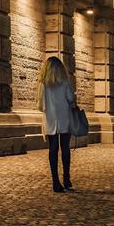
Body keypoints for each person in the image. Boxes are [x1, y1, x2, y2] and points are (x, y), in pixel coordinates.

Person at [36, 55, 76, 193]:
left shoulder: (43, 84)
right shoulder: (65, 82)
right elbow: (71, 98)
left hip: (50, 119)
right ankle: (66, 178)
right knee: (65, 148)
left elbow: (40, 106)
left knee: (53, 149)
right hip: (65, 118)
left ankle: (55, 182)